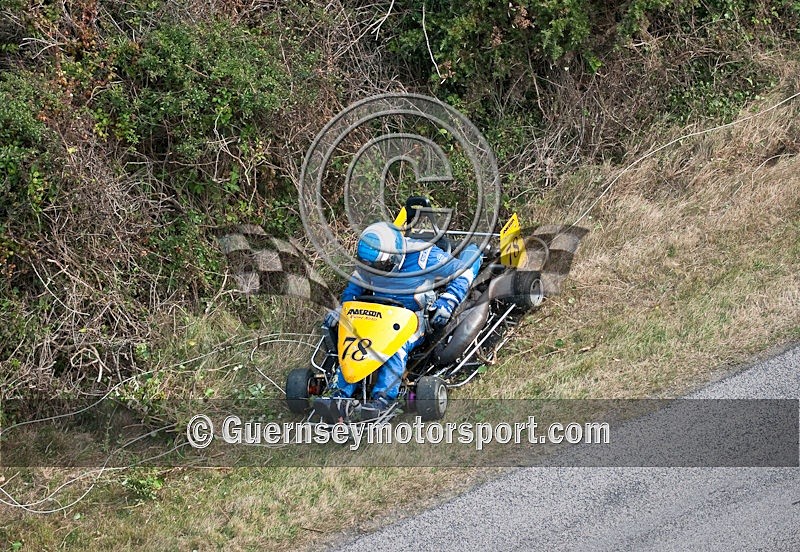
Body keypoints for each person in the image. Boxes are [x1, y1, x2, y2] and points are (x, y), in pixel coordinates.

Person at [313, 220, 482, 422]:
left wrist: (449, 300)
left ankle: (382, 399)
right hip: (374, 316)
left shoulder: (424, 257)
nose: (375, 269)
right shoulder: (370, 262)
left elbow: (462, 272)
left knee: (396, 348)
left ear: (394, 256)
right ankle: (339, 395)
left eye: (380, 266)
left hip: (414, 318)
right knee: (351, 343)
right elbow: (354, 287)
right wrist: (342, 308)